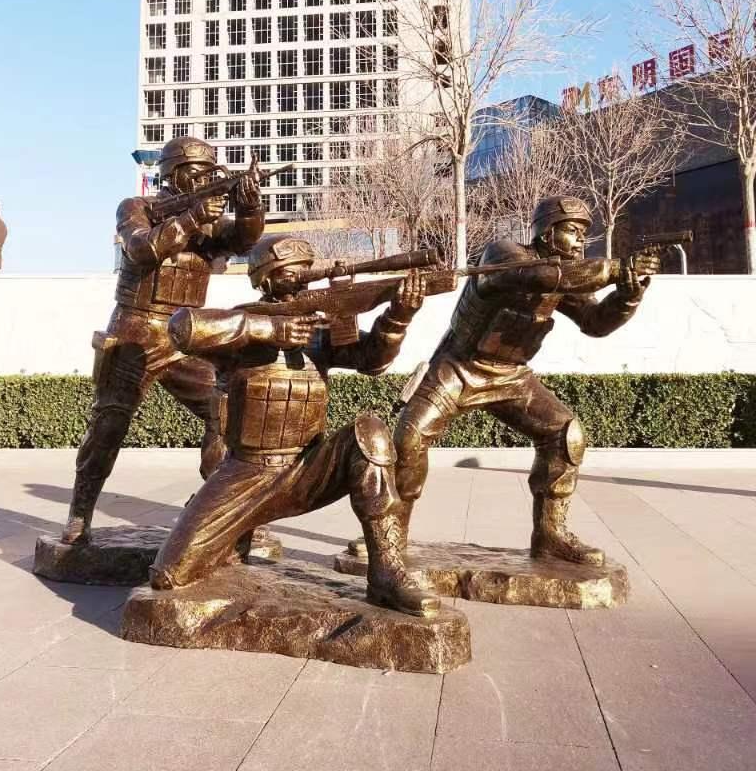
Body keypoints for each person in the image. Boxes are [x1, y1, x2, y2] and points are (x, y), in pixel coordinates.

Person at [149, 235, 440, 618]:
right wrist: (268, 330)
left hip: (305, 469)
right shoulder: (240, 328)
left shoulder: (320, 331)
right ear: (265, 279)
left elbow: (371, 361)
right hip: (245, 475)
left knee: (370, 433)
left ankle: (386, 570)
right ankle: (231, 539)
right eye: (291, 273)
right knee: (170, 575)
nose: (303, 279)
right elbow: (182, 327)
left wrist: (397, 317)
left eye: (306, 271)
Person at [389, 195, 660, 566]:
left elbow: (595, 323)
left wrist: (627, 296)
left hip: (512, 376)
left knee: (565, 434)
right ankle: (388, 536)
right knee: (409, 438)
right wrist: (615, 268)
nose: (580, 241)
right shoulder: (503, 254)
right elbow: (540, 276)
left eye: (584, 234)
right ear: (547, 233)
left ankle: (550, 535)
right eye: (572, 230)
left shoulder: (570, 275)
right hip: (459, 366)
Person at [61, 136, 264, 545]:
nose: (206, 179)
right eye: (198, 172)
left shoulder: (210, 223)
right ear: (174, 173)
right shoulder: (136, 207)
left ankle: (216, 510)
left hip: (187, 333)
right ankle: (80, 514)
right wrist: (190, 218)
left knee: (226, 410)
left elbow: (244, 241)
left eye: (211, 173)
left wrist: (250, 208)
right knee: (109, 424)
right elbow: (141, 249)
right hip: (135, 330)